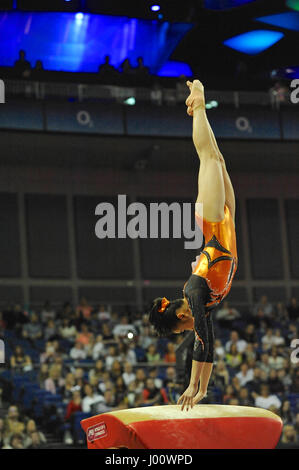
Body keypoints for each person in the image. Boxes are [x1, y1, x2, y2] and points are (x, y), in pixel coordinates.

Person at [148, 79, 238, 410]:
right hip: (225, 222)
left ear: (182, 315)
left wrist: (195, 388)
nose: (188, 328)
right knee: (217, 158)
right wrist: (197, 385)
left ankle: (198, 102)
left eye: (181, 327)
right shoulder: (197, 301)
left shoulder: (194, 295)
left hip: (213, 221)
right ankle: (197, 107)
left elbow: (203, 341)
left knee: (207, 157)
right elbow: (204, 340)